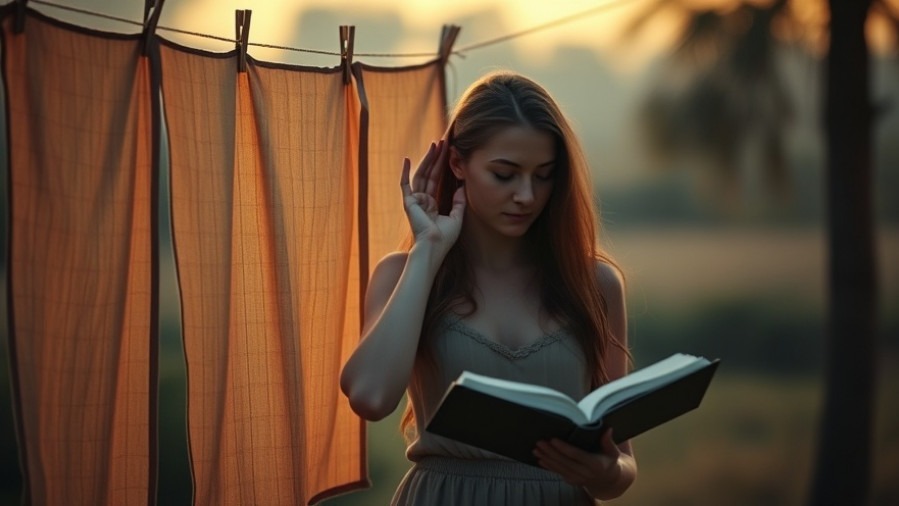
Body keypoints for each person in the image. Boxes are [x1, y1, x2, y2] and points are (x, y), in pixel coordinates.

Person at [340, 70, 637, 505]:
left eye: (544, 175)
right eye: (505, 174)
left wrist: (605, 471)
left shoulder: (594, 284)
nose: (526, 195)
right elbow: (370, 396)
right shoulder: (405, 274)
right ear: (458, 164)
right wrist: (428, 250)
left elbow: (623, 467)